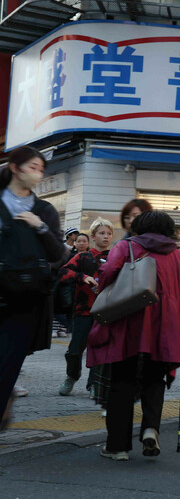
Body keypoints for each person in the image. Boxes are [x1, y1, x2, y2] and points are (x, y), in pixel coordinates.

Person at [87, 211, 180, 460]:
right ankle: (150, 428)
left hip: (129, 323)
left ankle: (118, 447)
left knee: (122, 381)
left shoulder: (126, 246)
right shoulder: (177, 255)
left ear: (139, 226)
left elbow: (107, 275)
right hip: (166, 327)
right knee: (154, 380)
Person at [0, 146, 64, 431]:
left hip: (25, 300)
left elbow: (59, 255)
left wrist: (40, 227)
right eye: (33, 167)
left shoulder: (45, 210)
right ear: (15, 167)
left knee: (8, 365)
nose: (39, 174)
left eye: (41, 168)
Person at [58, 218, 114, 396]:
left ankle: (94, 384)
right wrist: (82, 277)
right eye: (102, 233)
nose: (106, 237)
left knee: (99, 351)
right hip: (83, 311)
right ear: (93, 236)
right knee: (75, 351)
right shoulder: (83, 256)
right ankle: (72, 376)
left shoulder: (116, 257)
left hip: (106, 313)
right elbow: (63, 273)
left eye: (109, 233)